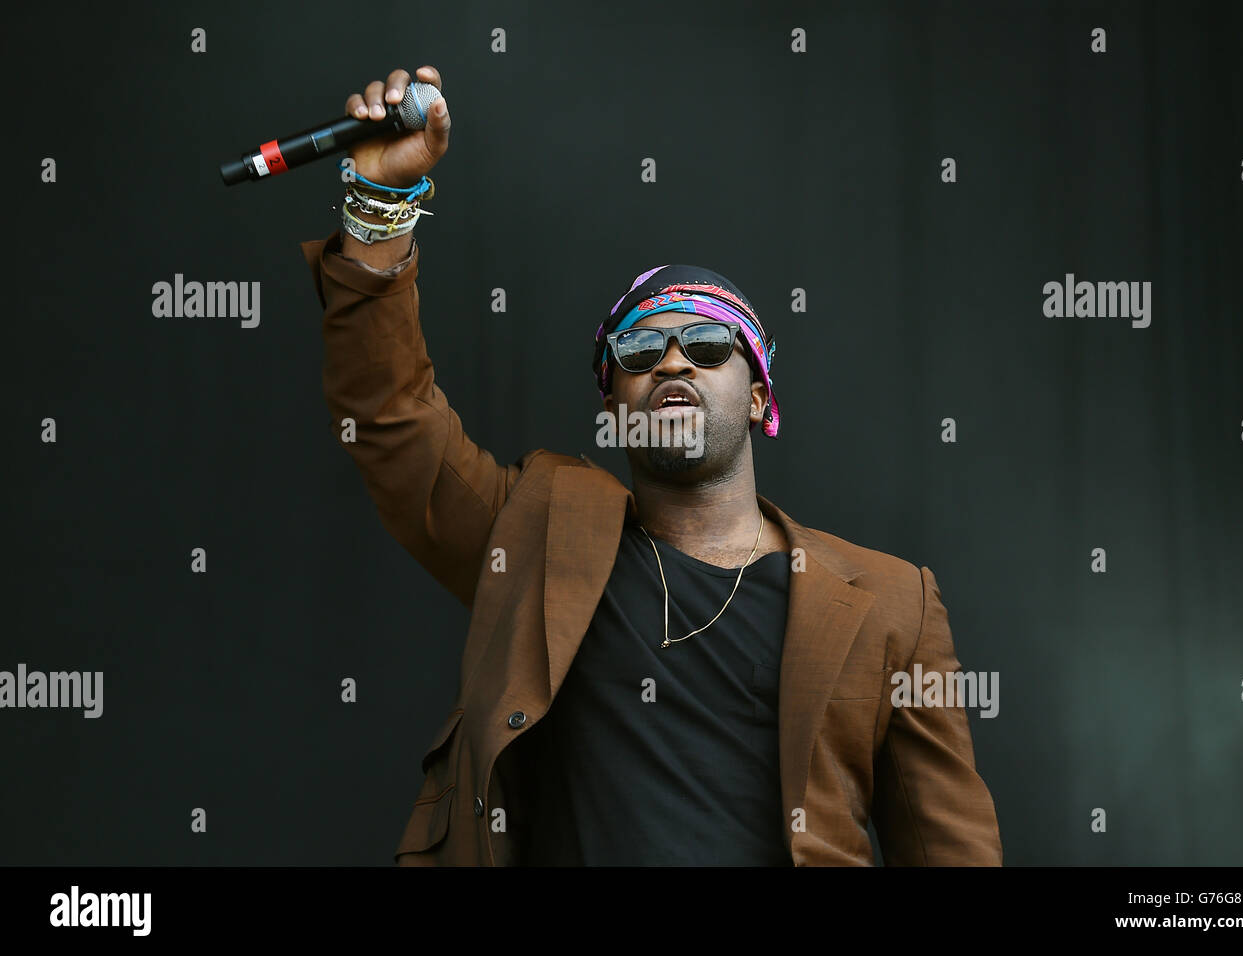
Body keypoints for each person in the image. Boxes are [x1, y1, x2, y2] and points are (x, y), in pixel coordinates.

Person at [301, 65, 1003, 866]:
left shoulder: (891, 604)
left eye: (707, 346)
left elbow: (954, 852)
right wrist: (378, 205)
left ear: (759, 394)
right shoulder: (535, 537)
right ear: (613, 407)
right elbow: (389, 419)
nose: (673, 362)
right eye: (639, 350)